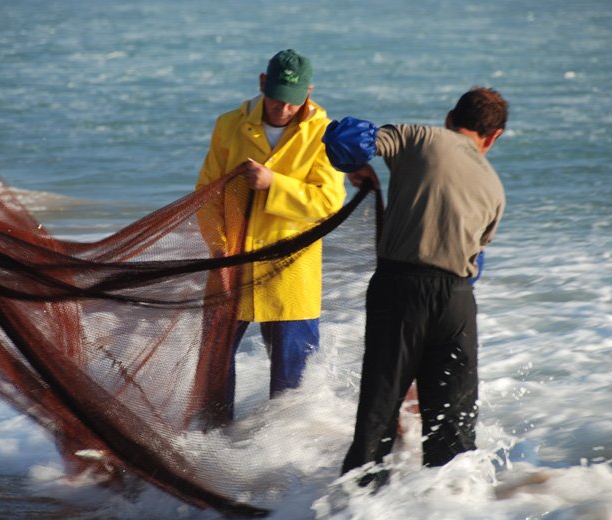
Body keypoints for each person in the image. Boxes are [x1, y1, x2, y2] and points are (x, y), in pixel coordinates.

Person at [323, 87, 508, 484]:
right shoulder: (495, 188)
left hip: (400, 290)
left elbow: (343, 140)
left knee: (378, 417)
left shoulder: (419, 137)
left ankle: (360, 503)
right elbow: (476, 264)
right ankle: (452, 505)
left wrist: (357, 167)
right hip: (458, 303)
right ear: (493, 138)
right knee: (453, 429)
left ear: (448, 119)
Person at [196, 49, 346, 422]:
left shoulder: (324, 134)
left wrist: (273, 184)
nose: (282, 108)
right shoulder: (229, 125)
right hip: (232, 264)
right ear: (263, 83)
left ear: (308, 92)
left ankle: (284, 467)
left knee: (291, 386)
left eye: (293, 102)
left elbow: (329, 201)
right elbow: (206, 196)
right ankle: (210, 449)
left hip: (291, 271)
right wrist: (220, 250)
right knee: (213, 369)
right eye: (276, 97)